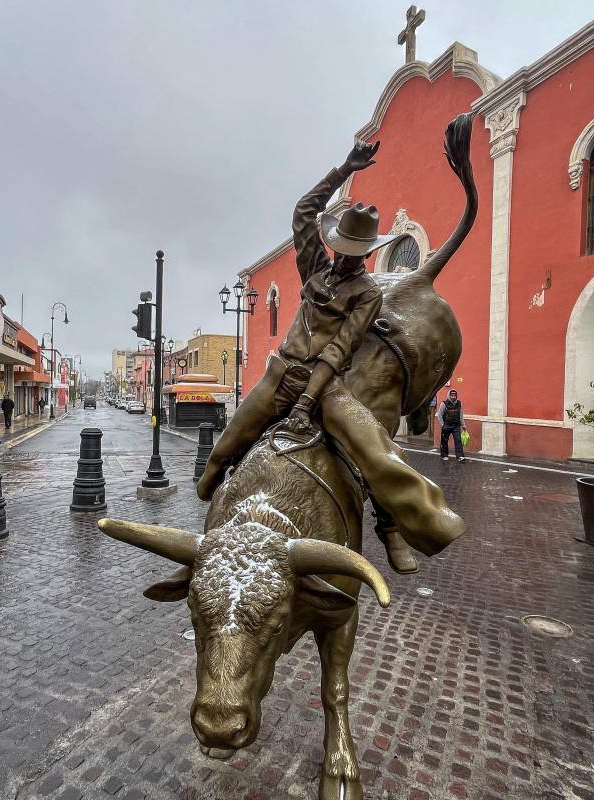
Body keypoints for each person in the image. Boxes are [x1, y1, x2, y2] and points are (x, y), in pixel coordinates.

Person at [197, 139, 466, 573]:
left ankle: (394, 528)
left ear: (367, 254)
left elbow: (340, 349)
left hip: (325, 385)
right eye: (342, 249)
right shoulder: (314, 268)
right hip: (280, 373)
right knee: (225, 449)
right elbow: (304, 211)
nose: (346, 259)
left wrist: (307, 403)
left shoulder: (366, 294)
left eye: (355, 253)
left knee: (375, 450)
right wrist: (344, 169)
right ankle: (219, 498)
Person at [437, 389, 467, 462]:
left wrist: (463, 425)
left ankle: (460, 456)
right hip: (446, 425)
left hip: (456, 426)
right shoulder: (444, 403)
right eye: (452, 395)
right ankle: (444, 455)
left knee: (458, 440)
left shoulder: (459, 403)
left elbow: (461, 415)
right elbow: (439, 415)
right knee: (444, 441)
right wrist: (442, 424)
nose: (453, 396)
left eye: (454, 395)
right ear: (449, 395)